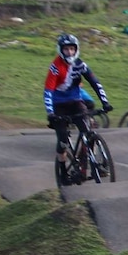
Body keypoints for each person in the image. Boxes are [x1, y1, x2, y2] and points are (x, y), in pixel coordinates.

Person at [43, 33, 112, 184]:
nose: (69, 52)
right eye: (66, 49)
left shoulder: (81, 65)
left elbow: (95, 83)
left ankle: (90, 164)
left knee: (87, 131)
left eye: (72, 49)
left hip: (75, 102)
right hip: (58, 105)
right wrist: (50, 113)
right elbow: (48, 91)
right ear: (61, 50)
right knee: (62, 139)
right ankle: (63, 173)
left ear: (76, 50)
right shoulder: (55, 68)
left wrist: (105, 102)